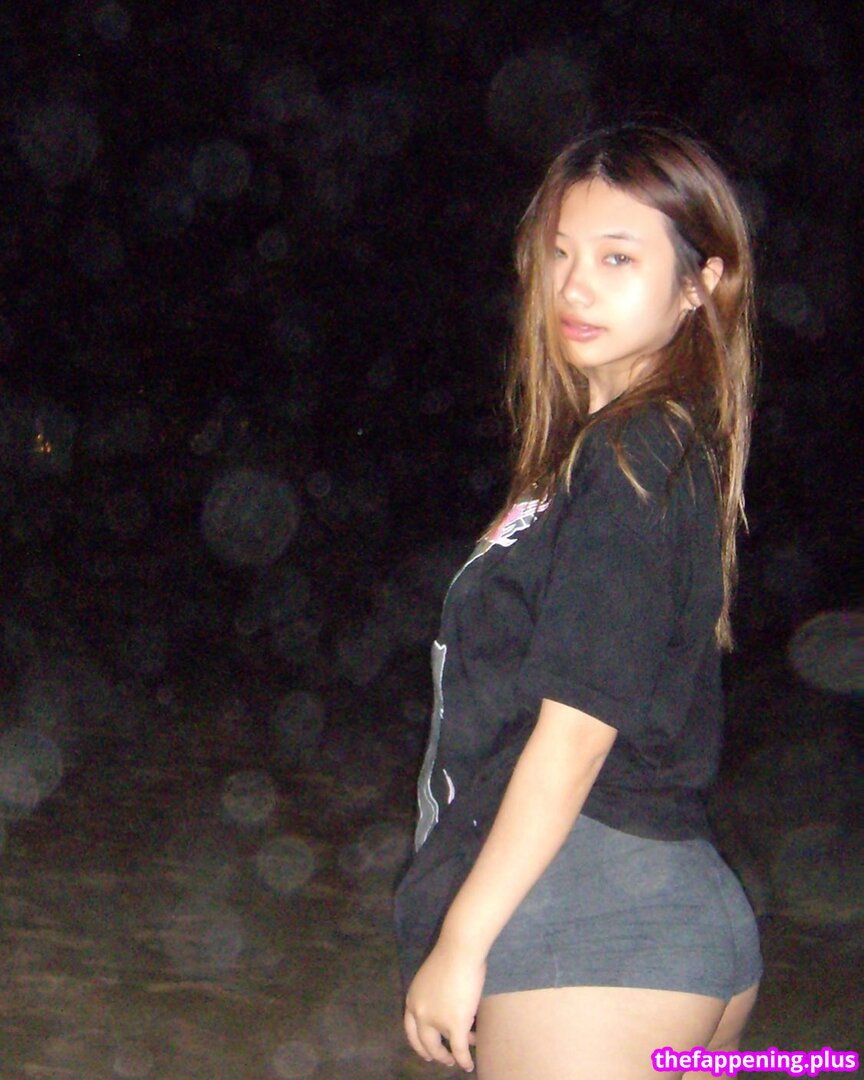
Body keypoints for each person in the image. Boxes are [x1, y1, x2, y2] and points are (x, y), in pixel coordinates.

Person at [393, 123, 763, 1080]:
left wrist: (463, 940)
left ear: (700, 284)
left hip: (594, 927)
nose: (574, 286)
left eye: (617, 257)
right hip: (657, 919)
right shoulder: (610, 458)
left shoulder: (635, 452)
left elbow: (577, 732)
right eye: (560, 253)